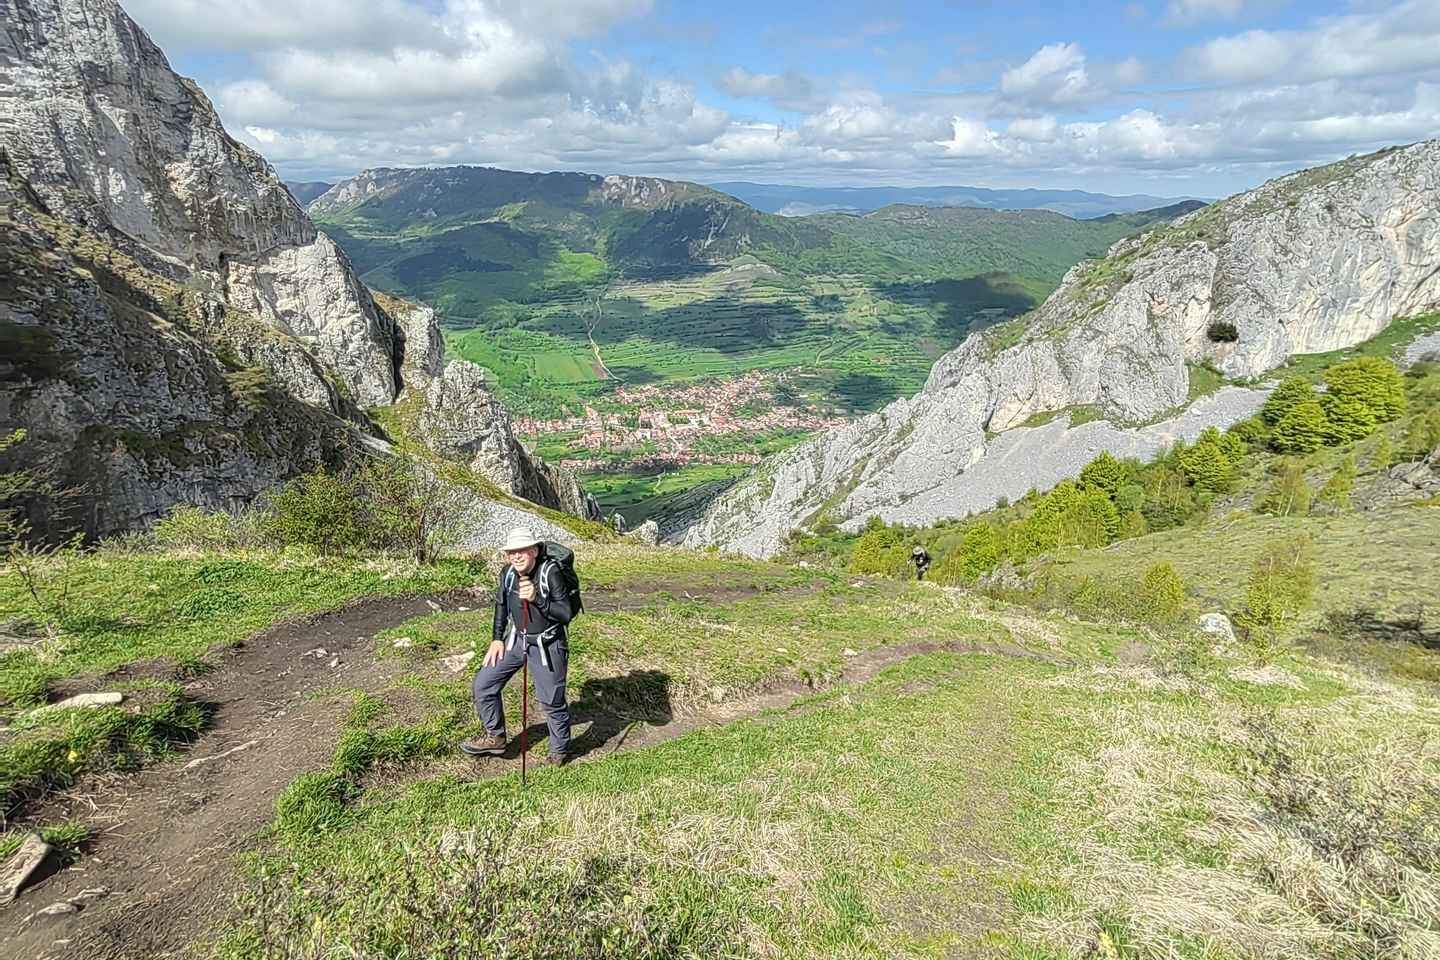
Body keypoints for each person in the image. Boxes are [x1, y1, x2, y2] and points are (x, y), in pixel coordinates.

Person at [460, 528, 576, 766]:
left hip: (548, 643)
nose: (515, 556)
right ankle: (496, 738)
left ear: (533, 551)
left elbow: (565, 614)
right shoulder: (508, 574)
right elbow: (501, 606)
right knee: (484, 684)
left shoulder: (550, 572)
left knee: (552, 701)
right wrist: (496, 638)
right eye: (511, 552)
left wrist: (537, 599)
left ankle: (559, 751)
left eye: (521, 550)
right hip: (517, 640)